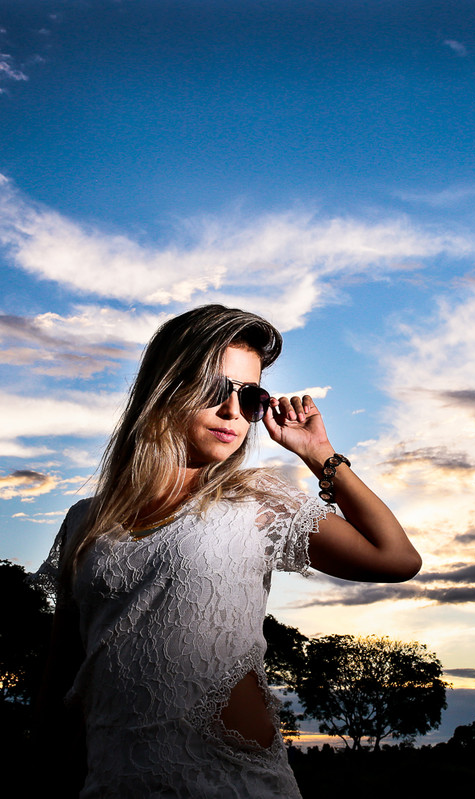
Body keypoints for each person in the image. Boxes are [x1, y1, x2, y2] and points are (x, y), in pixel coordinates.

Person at [36, 304, 421, 798]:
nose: (234, 412)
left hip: (232, 782)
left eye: (251, 396)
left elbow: (395, 558)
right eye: (216, 390)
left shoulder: (257, 502)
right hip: (113, 781)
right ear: (166, 386)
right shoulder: (84, 523)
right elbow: (60, 677)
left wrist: (321, 456)